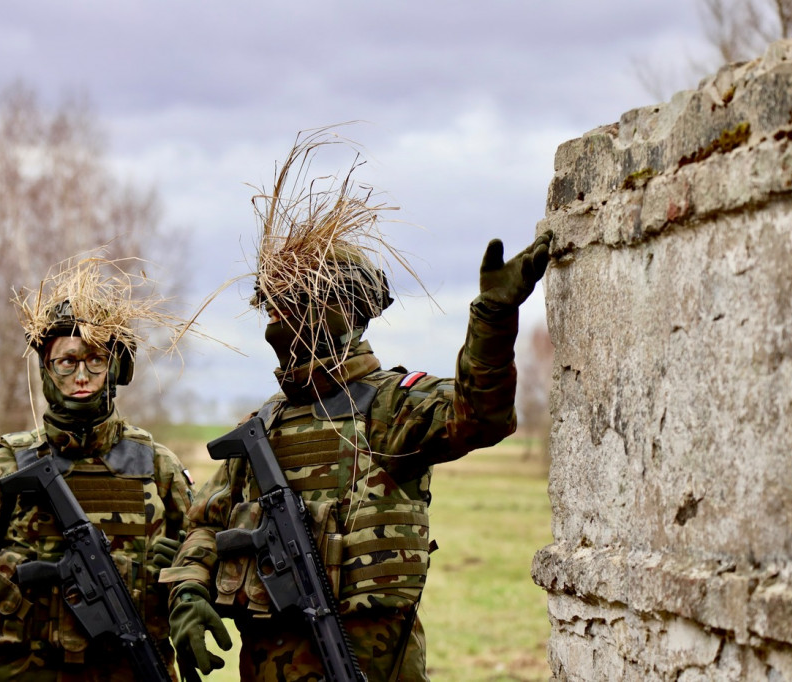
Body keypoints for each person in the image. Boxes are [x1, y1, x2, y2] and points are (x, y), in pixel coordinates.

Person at [160, 129, 552, 681]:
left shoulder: (391, 408)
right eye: (278, 307)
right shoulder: (263, 429)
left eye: (300, 306)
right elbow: (206, 522)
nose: (281, 323)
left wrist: (490, 321)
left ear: (350, 314)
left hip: (372, 667)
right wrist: (189, 592)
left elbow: (481, 416)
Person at [0, 257, 195, 681]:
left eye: (95, 360)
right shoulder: (3, 469)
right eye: (67, 362)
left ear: (116, 368)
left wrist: (182, 571)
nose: (81, 375)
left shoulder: (159, 468)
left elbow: (202, 561)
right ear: (47, 369)